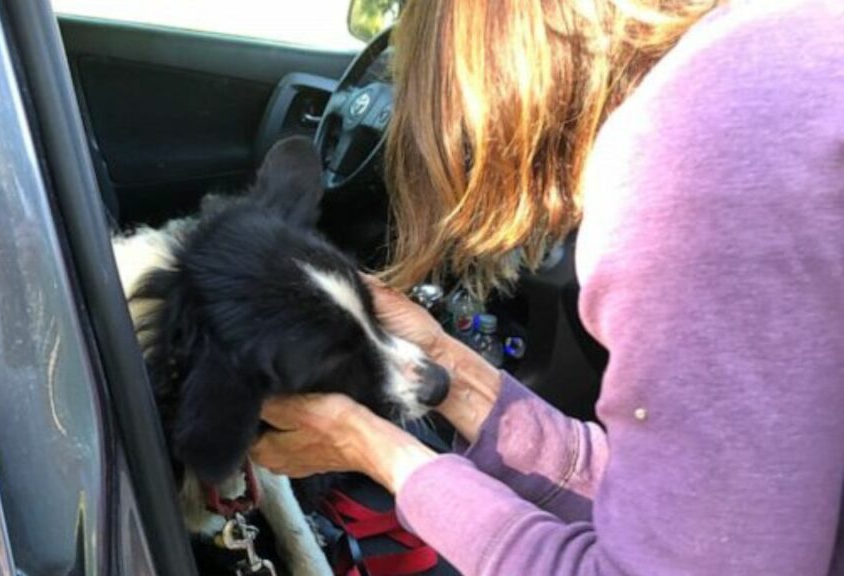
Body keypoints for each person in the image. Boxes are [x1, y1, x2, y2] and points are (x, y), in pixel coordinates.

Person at [251, 0, 844, 574]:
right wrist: (446, 366)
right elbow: (688, 509)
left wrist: (373, 448)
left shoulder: (701, 149)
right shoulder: (777, 57)